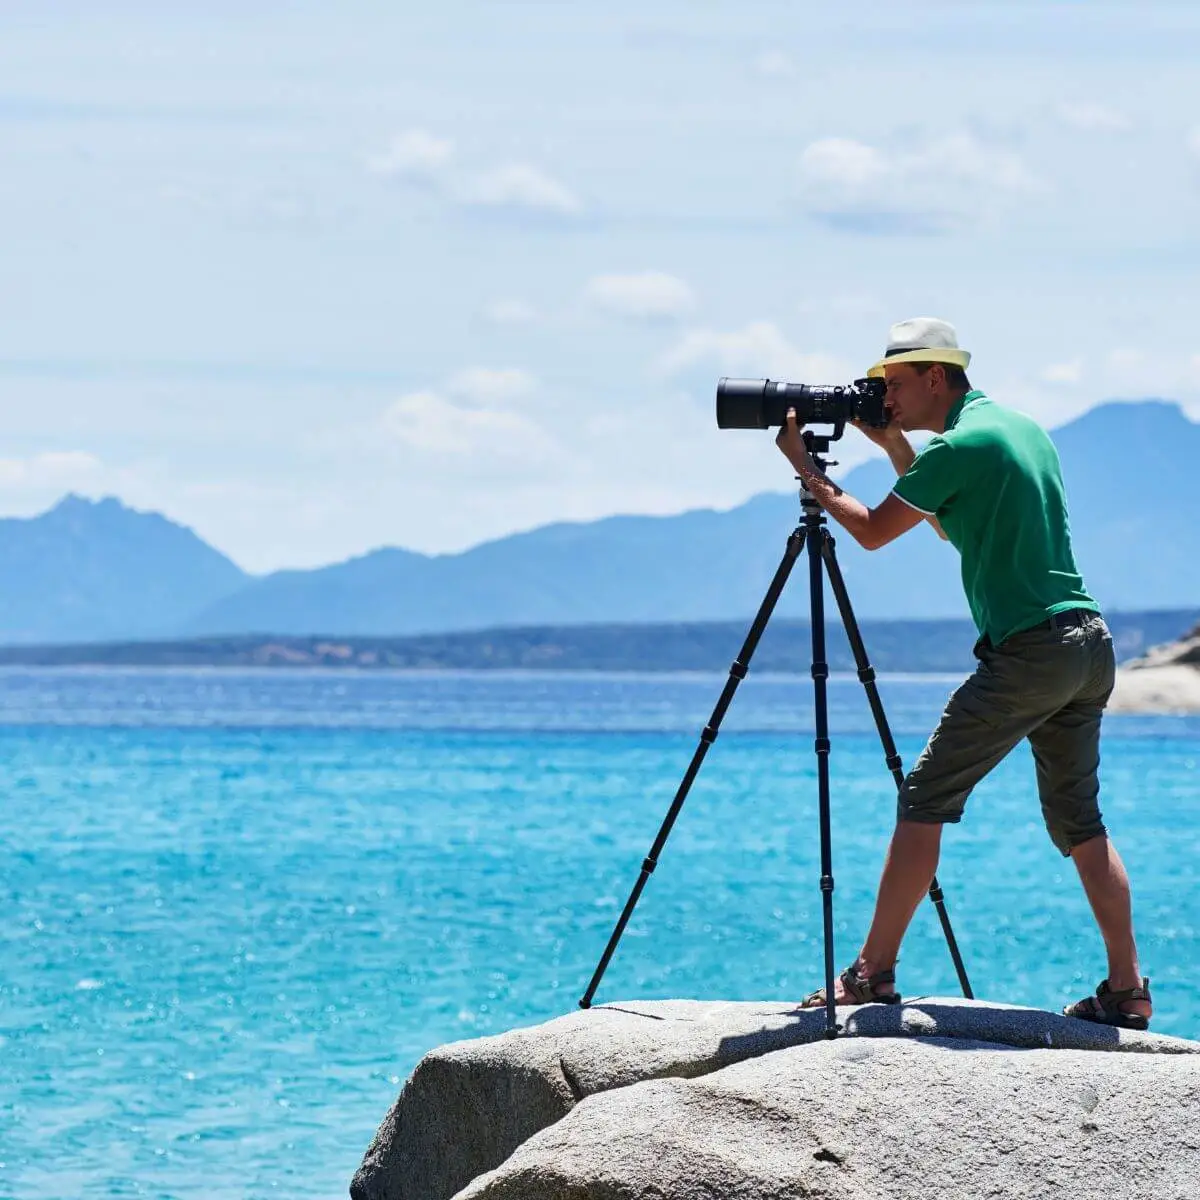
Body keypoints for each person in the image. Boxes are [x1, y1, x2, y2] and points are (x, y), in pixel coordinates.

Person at [773, 317, 1151, 1029]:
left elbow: (875, 532)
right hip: (1087, 644)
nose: (885, 397)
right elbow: (951, 523)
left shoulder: (957, 444)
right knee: (1081, 821)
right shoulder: (1018, 429)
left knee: (924, 797)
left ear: (935, 377)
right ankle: (1127, 987)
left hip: (1029, 651)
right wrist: (892, 447)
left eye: (895, 386)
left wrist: (807, 468)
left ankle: (870, 974)